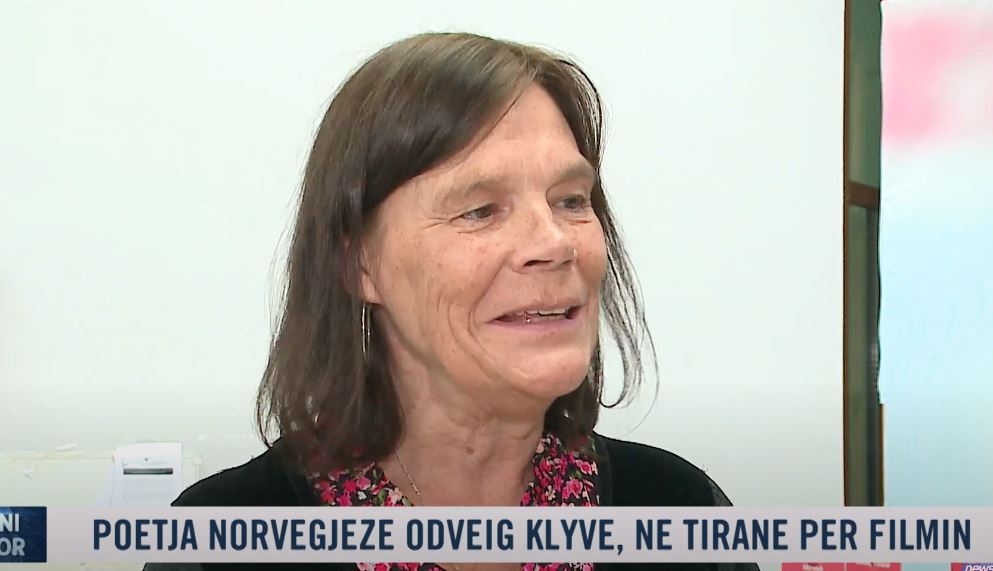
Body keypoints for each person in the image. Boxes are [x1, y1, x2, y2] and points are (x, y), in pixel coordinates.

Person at [148, 32, 757, 571]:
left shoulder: (681, 514)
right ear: (357, 265)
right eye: (481, 210)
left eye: (571, 200)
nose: (554, 243)